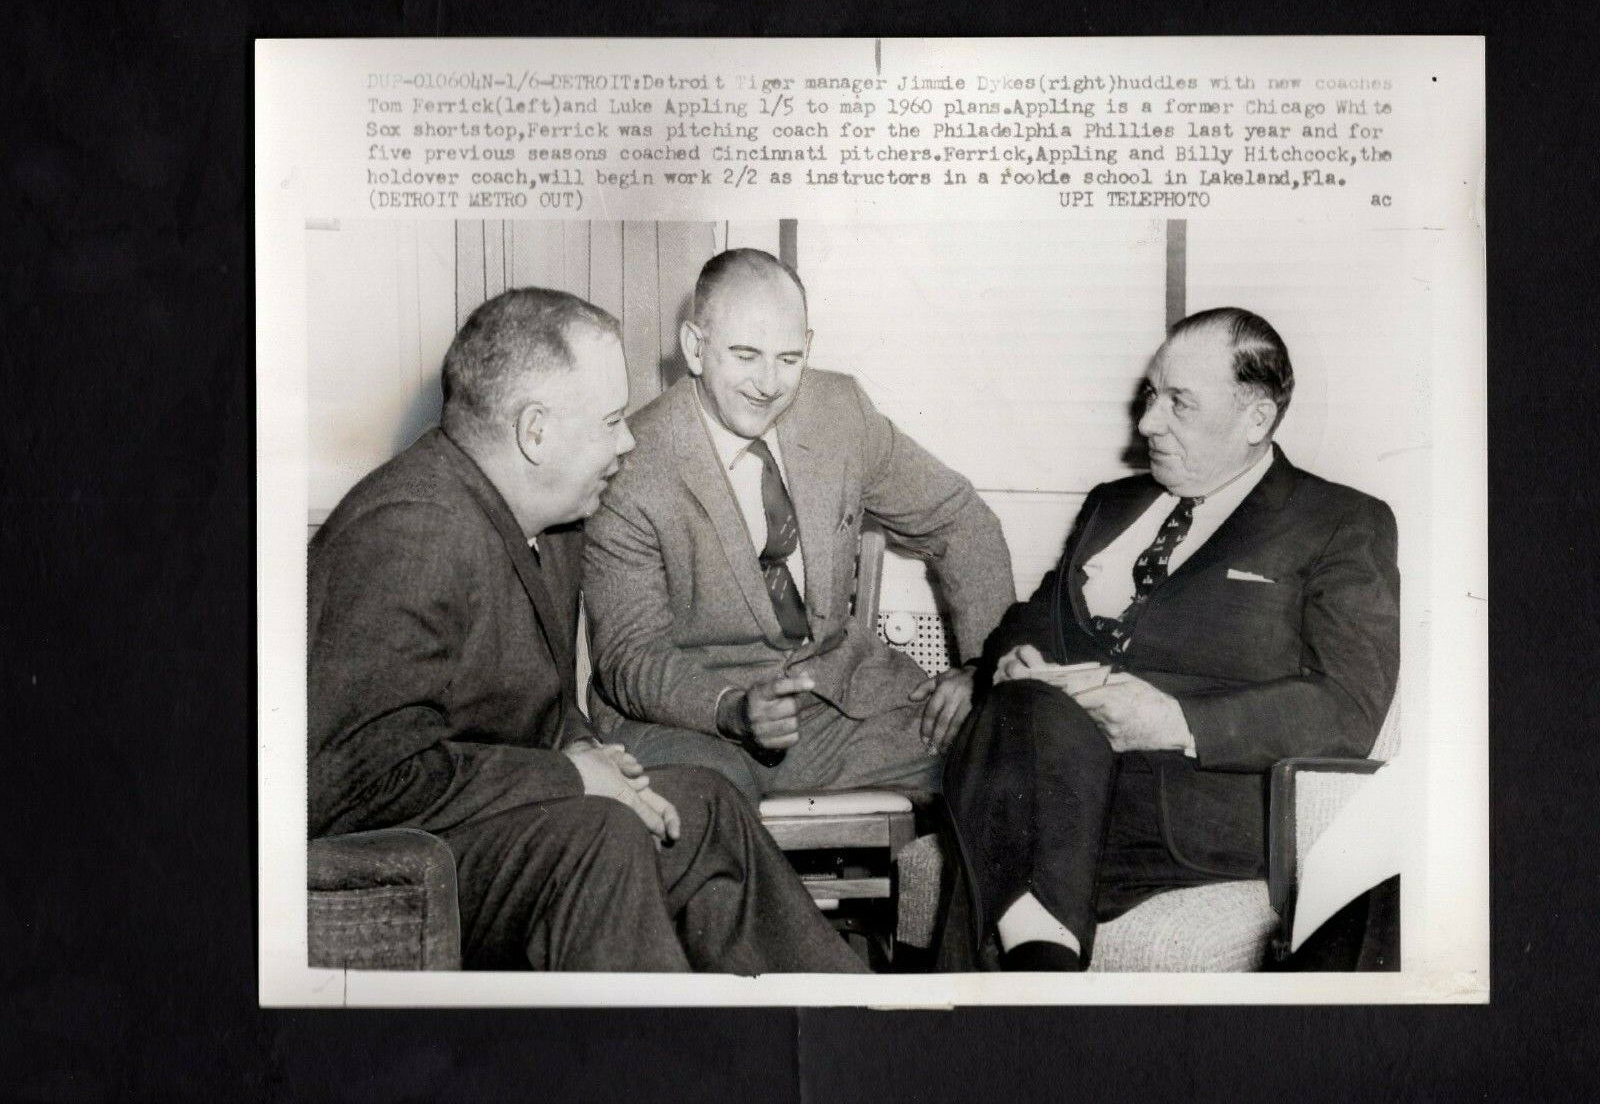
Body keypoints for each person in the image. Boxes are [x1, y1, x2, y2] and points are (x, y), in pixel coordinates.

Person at [308, 287, 864, 973]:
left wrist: (596, 757)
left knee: (702, 803)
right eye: (610, 422)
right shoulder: (410, 532)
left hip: (504, 821)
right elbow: (354, 782)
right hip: (415, 864)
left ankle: (843, 1021)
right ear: (535, 432)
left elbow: (533, 705)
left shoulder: (554, 523)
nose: (629, 442)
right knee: (600, 835)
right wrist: (569, 776)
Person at [943, 307, 1400, 971]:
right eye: (1152, 394)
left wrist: (1176, 719)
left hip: (1185, 816)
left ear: (1256, 419)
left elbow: (1348, 706)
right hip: (1048, 777)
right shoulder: (1113, 504)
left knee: (989, 821)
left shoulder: (1338, 522)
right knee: (1014, 735)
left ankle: (1022, 984)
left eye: (1179, 403)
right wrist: (1015, 658)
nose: (1148, 422)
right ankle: (1042, 975)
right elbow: (1036, 614)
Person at [582, 248, 1015, 801]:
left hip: (838, 706)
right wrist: (734, 709)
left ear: (808, 347)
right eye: (745, 356)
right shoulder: (632, 464)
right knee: (708, 810)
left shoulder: (839, 411)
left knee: (1008, 747)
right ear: (695, 347)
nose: (768, 384)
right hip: (690, 722)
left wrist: (983, 666)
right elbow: (630, 656)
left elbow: (961, 519)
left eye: (788, 359)